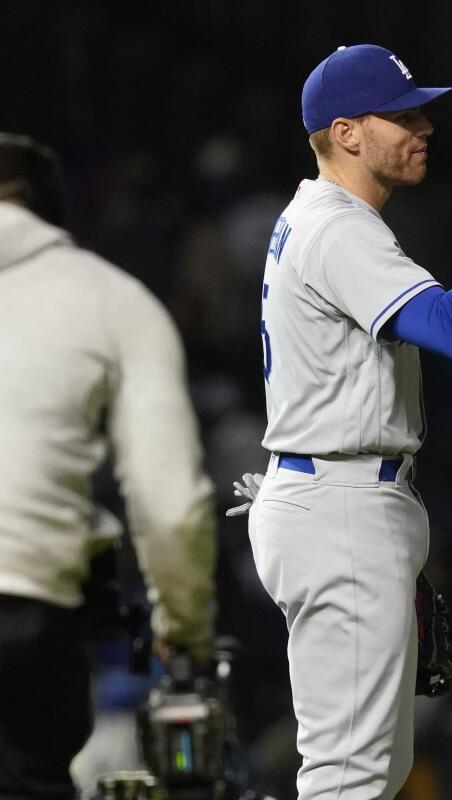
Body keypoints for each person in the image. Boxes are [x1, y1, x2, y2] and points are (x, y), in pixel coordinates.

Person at [245, 44, 452, 799]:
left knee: (375, 773)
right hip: (340, 503)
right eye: (403, 114)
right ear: (348, 132)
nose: (424, 125)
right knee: (349, 781)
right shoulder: (335, 226)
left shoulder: (320, 218)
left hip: (338, 494)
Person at [0, 133, 216, 800]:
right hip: (24, 615)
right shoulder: (112, 300)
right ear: (54, 216)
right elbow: (171, 507)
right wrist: (184, 639)